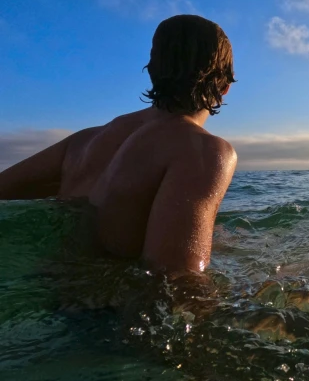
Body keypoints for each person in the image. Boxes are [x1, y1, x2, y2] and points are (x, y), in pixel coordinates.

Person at [0, 15, 238, 274]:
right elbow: (178, 287)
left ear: (153, 69)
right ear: (224, 87)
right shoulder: (203, 151)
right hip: (105, 308)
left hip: (47, 289)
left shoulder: (83, 142)